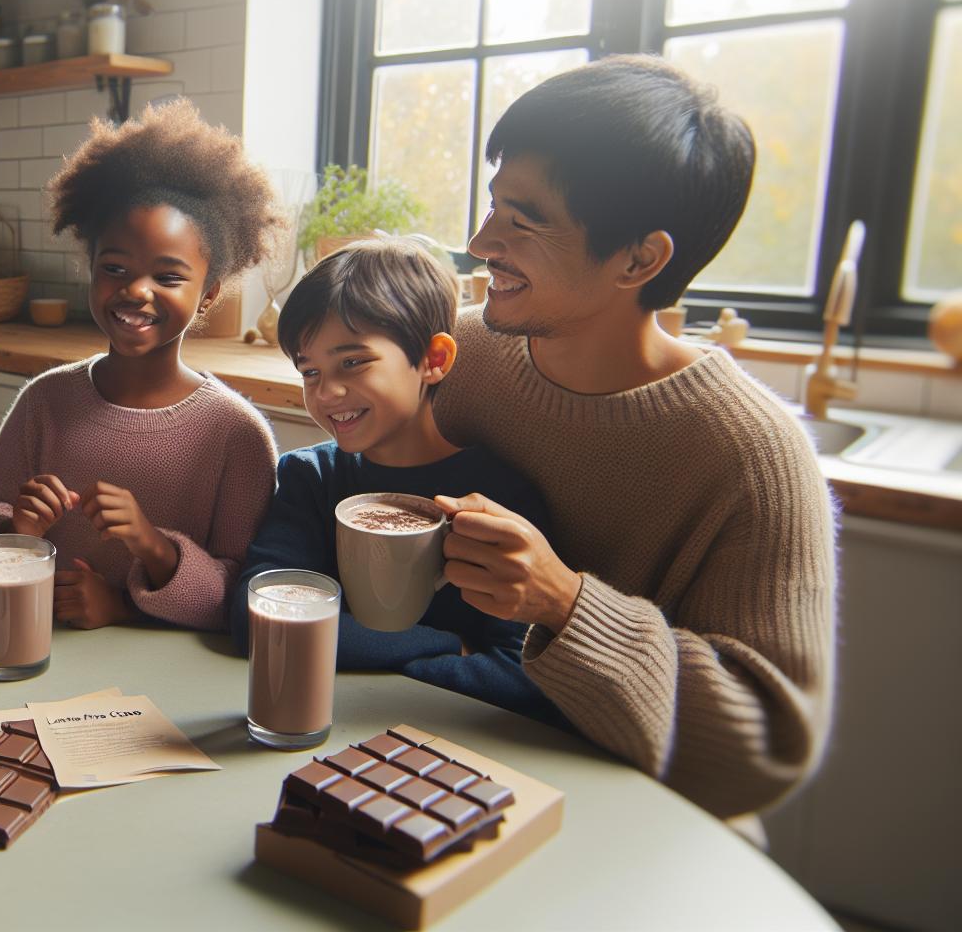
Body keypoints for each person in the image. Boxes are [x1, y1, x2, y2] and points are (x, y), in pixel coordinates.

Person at [432, 54, 834, 819]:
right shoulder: (461, 356)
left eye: (524, 219)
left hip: (639, 826)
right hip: (441, 766)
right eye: (492, 206)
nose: (482, 242)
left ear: (640, 259)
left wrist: (564, 603)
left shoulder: (754, 455)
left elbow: (769, 750)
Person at [0, 100, 280, 631]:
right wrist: (20, 528)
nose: (136, 289)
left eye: (168, 276)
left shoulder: (237, 435)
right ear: (90, 271)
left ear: (208, 295)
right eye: (115, 268)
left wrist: (147, 555)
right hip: (35, 652)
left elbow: (239, 597)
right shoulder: (44, 402)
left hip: (165, 685)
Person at [232, 239, 567, 727]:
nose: (326, 392)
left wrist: (359, 655)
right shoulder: (310, 477)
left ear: (433, 359)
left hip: (439, 740)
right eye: (310, 371)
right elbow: (258, 617)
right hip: (315, 720)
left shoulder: (498, 499)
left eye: (353, 362)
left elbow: (518, 673)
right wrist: (446, 646)